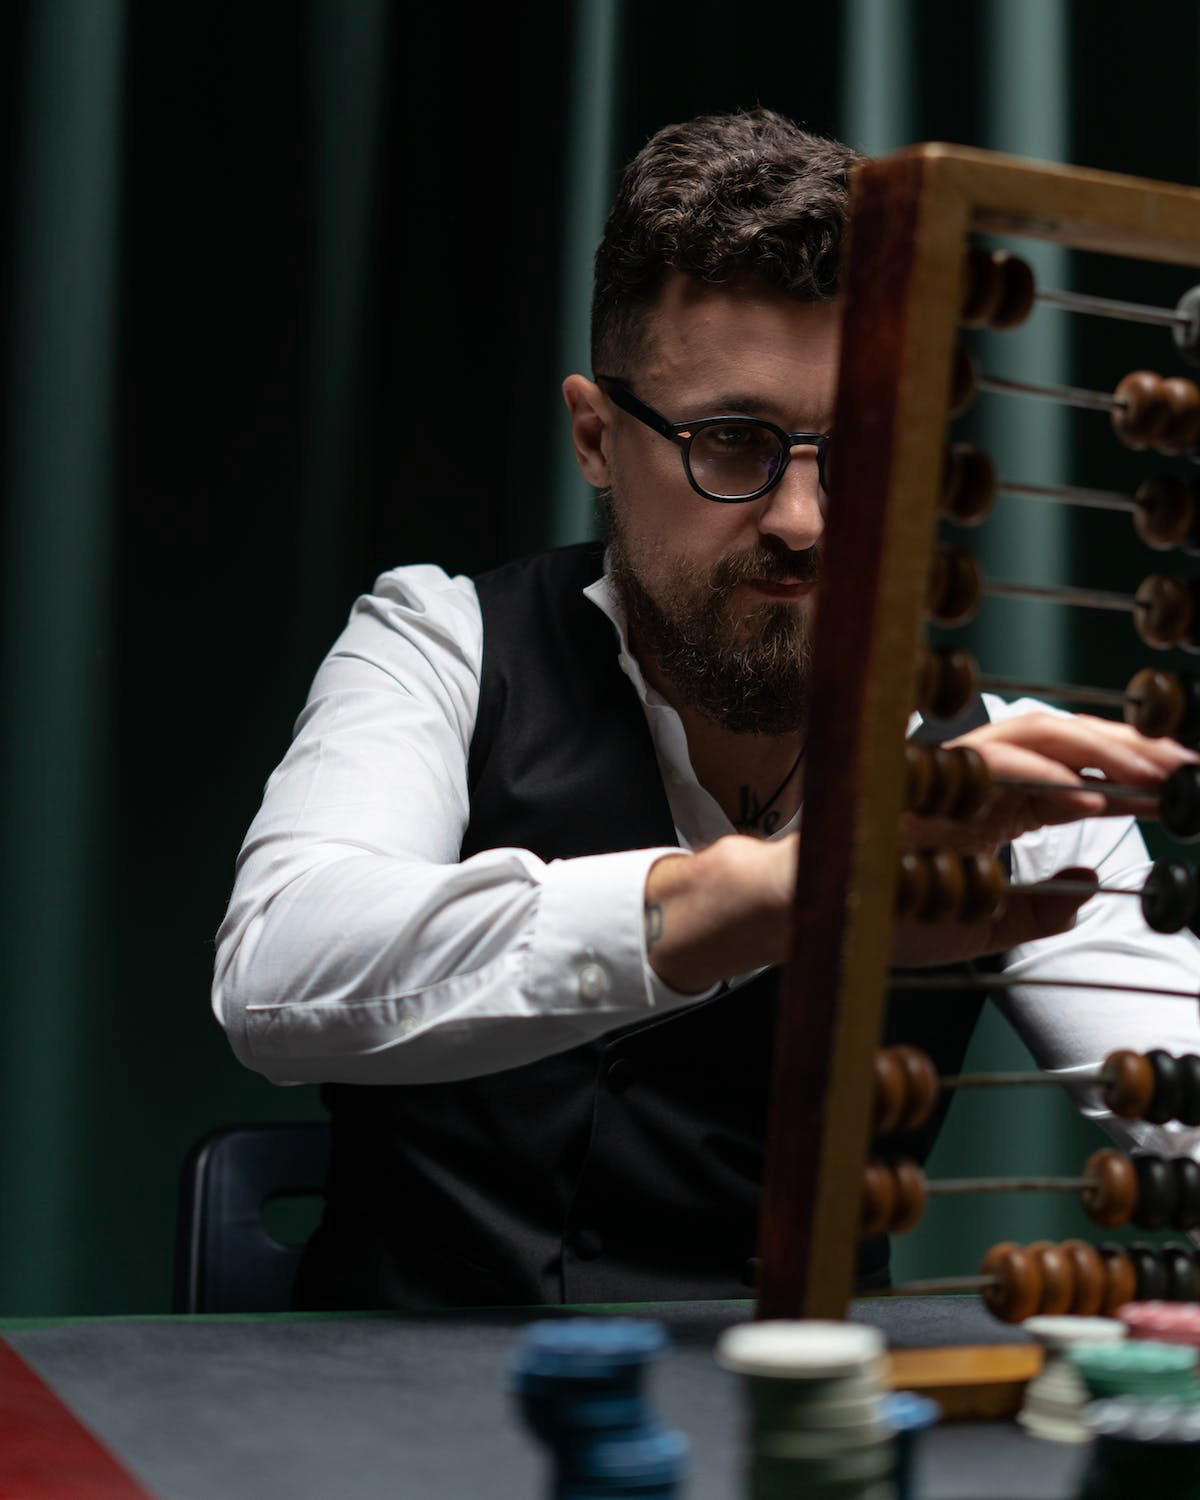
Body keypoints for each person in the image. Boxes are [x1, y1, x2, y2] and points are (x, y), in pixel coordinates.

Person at [213, 108, 1200, 1310]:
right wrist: (773, 891)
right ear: (594, 436)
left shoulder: (1001, 786)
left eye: (861, 450)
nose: (804, 521)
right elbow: (275, 976)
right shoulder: (441, 644)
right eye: (732, 442)